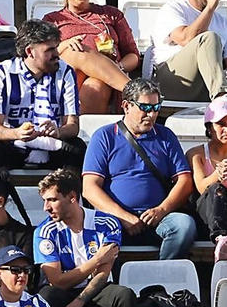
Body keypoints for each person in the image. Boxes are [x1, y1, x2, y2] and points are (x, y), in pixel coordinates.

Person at [82, 78, 197, 260]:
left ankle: (162, 276)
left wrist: (161, 210)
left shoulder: (165, 136)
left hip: (158, 217)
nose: (151, 114)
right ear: (126, 106)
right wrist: (123, 216)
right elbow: (89, 188)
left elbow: (184, 181)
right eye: (145, 108)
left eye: (155, 108)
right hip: (114, 218)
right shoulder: (104, 137)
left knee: (184, 225)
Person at [33, 167, 136, 307]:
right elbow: (57, 281)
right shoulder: (44, 232)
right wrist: (96, 260)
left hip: (97, 290)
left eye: (52, 200)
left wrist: (79, 301)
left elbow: (102, 275)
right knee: (46, 295)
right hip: (64, 292)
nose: (46, 207)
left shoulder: (106, 223)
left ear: (72, 197)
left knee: (124, 295)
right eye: (44, 200)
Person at [0, 18, 85, 172]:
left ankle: (70, 194)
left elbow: (73, 126)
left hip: (53, 145)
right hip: (14, 145)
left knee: (77, 148)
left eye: (56, 47)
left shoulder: (66, 72)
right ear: (30, 52)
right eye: (50, 50)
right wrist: (16, 133)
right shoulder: (3, 72)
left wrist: (59, 131)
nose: (57, 54)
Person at [44, 0, 140, 115]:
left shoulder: (111, 14)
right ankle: (138, 94)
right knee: (76, 50)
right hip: (66, 78)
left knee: (96, 86)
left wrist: (115, 68)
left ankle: (84, 135)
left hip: (106, 80)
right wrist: (64, 45)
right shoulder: (53, 20)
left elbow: (133, 55)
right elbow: (43, 56)